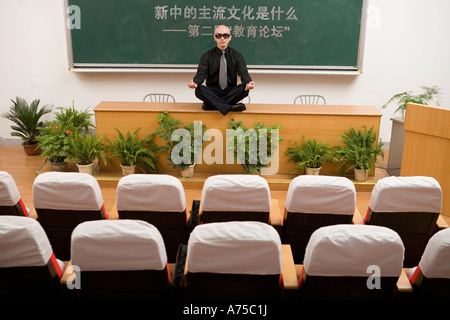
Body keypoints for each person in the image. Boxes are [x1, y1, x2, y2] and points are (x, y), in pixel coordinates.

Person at [188, 25, 255, 116]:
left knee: (244, 88)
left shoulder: (236, 55)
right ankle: (229, 107)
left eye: (225, 35)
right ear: (215, 38)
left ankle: (211, 105)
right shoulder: (207, 55)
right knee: (199, 89)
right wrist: (195, 82)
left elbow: (243, 72)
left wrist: (248, 83)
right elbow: (201, 74)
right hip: (213, 92)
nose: (222, 38)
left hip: (230, 91)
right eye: (219, 35)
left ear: (230, 38)